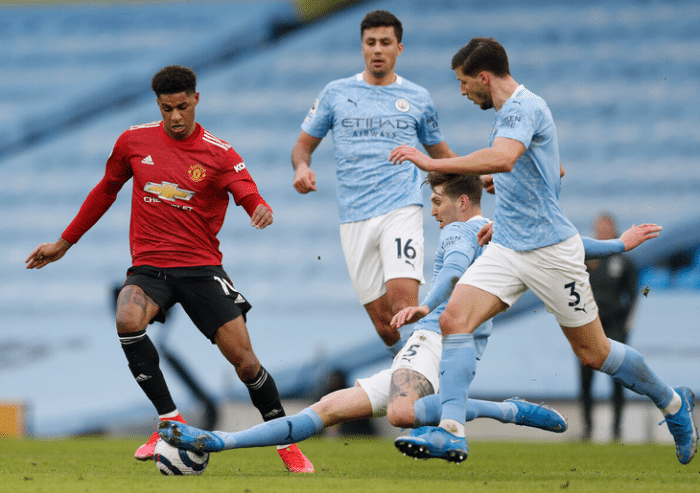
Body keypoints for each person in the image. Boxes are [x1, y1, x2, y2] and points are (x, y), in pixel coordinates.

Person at [155, 173, 657, 456]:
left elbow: (452, 273)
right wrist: (617, 243)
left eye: (437, 201)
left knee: (399, 415)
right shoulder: (503, 233)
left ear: (462, 202)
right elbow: (563, 245)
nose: (432, 210)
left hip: (437, 342)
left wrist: (427, 303)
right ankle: (219, 441)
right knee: (327, 409)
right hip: (429, 347)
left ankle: (503, 411)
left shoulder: (464, 230)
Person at [389, 37, 697, 465]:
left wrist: (435, 163)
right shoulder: (508, 116)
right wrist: (508, 192)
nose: (462, 91)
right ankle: (452, 432)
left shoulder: (523, 107)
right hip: (508, 247)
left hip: (552, 253)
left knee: (594, 353)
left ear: (483, 77)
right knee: (453, 319)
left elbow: (506, 159)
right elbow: (553, 168)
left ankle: (672, 402)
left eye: (463, 82)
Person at [25, 65, 314, 473]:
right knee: (126, 319)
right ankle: (168, 420)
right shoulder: (132, 141)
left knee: (246, 364)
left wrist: (259, 207)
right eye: (167, 109)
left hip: (201, 268)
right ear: (158, 105)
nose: (176, 117)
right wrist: (64, 242)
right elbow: (105, 190)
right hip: (150, 267)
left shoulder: (220, 152)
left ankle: (286, 442)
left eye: (182, 107)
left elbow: (245, 190)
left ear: (196, 99)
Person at [291, 10, 458, 352]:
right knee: (386, 328)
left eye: (385, 42)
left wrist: (481, 171)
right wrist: (301, 168)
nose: (378, 49)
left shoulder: (417, 98)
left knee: (403, 307)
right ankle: (413, 366)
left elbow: (441, 155)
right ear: (362, 47)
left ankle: (429, 372)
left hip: (401, 209)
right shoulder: (336, 93)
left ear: (399, 48)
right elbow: (302, 147)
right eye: (371, 42)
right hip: (354, 217)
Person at [580, 213, 639, 441]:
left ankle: (616, 429)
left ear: (614, 230)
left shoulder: (623, 261)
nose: (602, 231)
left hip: (614, 327)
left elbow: (633, 296)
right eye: (599, 227)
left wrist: (625, 326)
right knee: (586, 379)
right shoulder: (585, 259)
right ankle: (587, 429)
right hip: (587, 327)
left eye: (606, 227)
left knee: (618, 379)